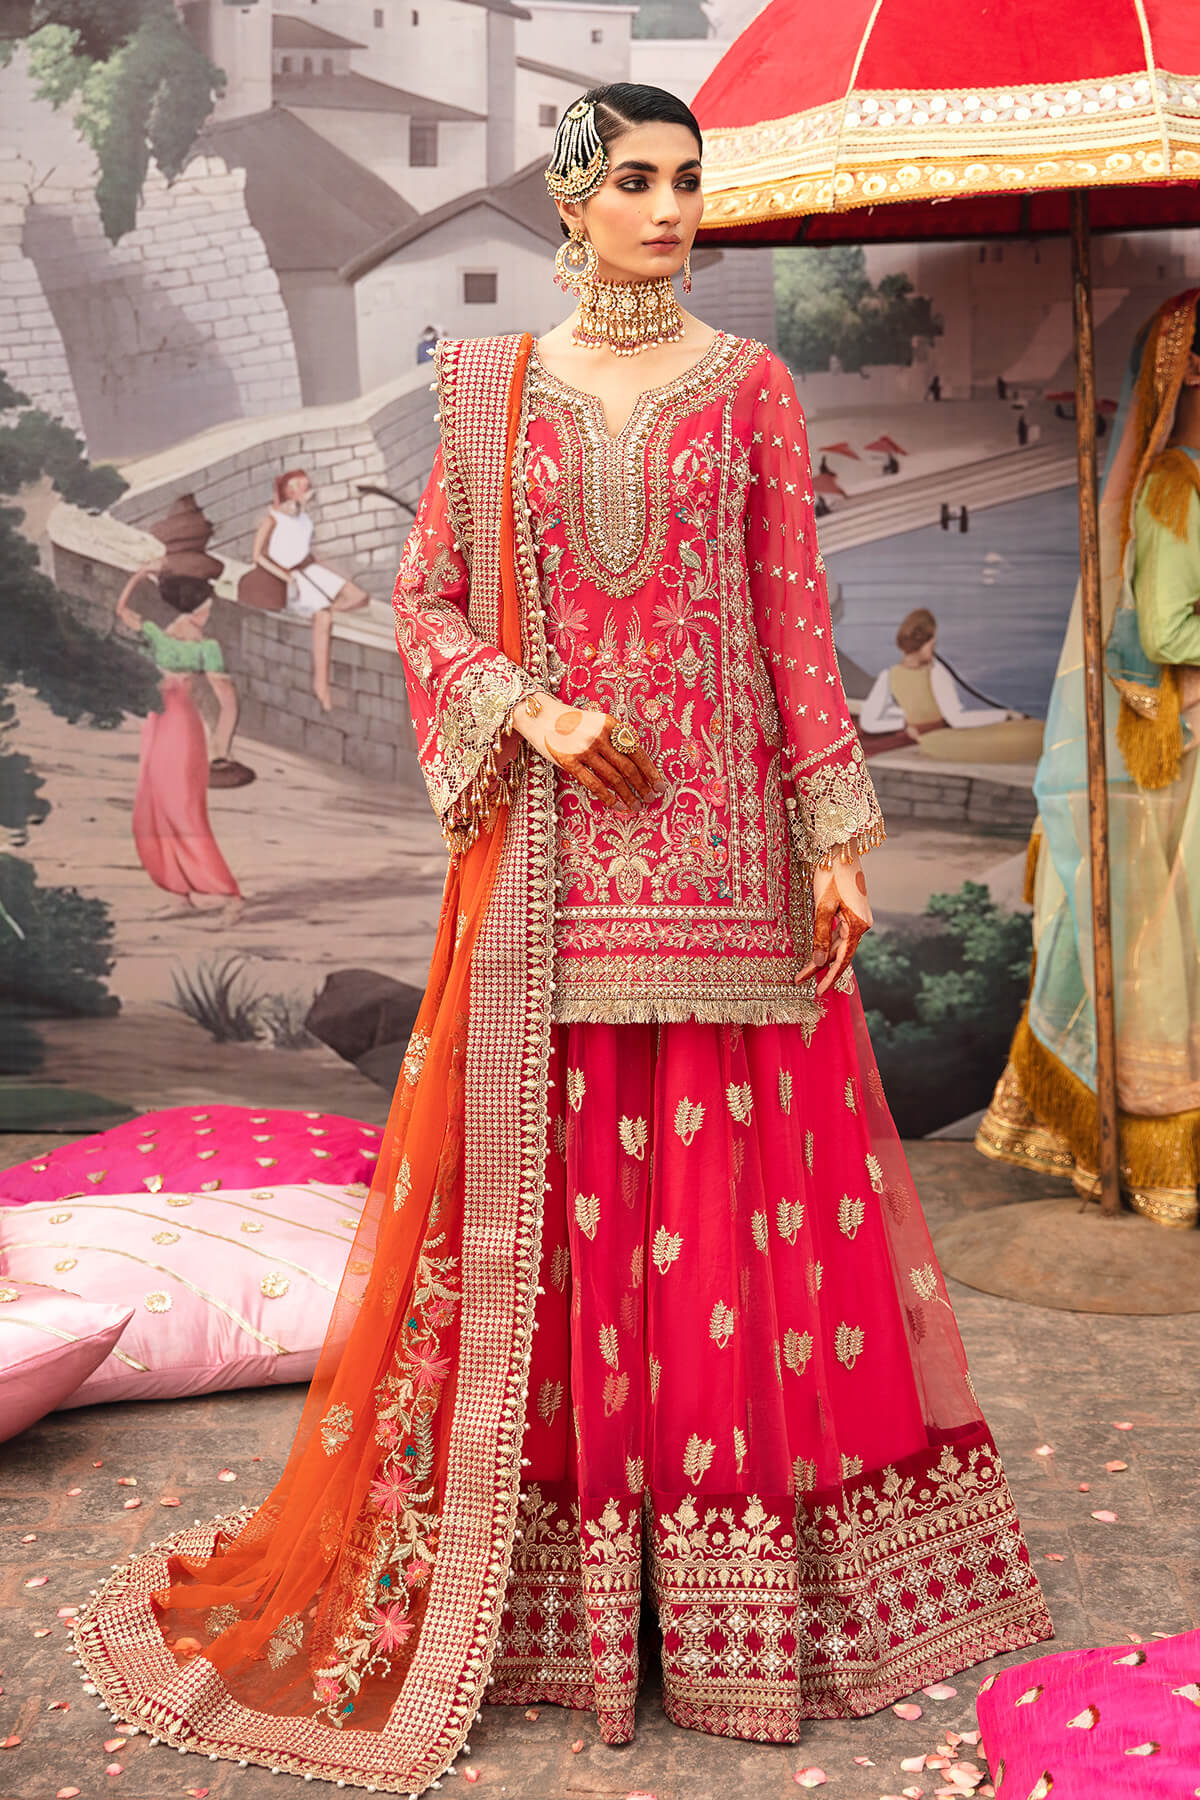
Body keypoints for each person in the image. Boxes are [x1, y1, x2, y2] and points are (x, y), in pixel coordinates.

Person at [73, 85, 1051, 1790]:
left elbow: (793, 626)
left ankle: (741, 1599)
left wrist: (837, 839)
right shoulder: (488, 392)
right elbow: (427, 597)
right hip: (556, 866)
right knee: (572, 1204)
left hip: (731, 859)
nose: (673, 209)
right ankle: (559, 1596)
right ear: (576, 200)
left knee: (726, 1213)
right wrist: (532, 712)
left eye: (692, 183)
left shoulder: (749, 388)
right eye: (641, 182)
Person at [978, 289, 1200, 1230]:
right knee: (1163, 949)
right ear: (1187, 371)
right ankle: (1145, 1156)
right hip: (1177, 754)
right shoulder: (1173, 489)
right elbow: (1168, 626)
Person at [114, 559, 243, 922]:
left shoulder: (169, 636)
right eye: (207, 607)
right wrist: (223, 746)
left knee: (179, 810)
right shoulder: (195, 644)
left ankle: (227, 893)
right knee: (160, 809)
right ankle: (181, 894)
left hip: (171, 727)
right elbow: (229, 704)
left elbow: (122, 609)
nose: (208, 613)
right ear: (199, 608)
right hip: (165, 725)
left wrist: (140, 573)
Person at [250, 469, 370, 713]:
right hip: (290, 576)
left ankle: (325, 603)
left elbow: (307, 549)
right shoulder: (271, 520)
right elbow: (257, 556)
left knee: (359, 598)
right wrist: (285, 577)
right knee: (323, 617)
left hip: (310, 568)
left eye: (306, 486)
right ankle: (321, 687)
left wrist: (330, 573)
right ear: (289, 492)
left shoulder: (303, 517)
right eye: (301, 487)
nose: (307, 490)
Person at [859, 608, 1044, 762]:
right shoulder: (935, 672)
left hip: (930, 742)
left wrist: (904, 723)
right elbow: (957, 719)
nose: (934, 646)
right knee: (1030, 735)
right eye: (933, 642)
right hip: (945, 741)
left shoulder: (889, 675)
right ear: (925, 643)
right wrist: (1005, 715)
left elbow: (869, 722)